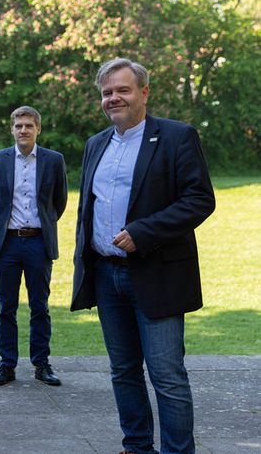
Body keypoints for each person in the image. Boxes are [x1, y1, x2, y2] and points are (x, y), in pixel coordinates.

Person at [72, 58, 215, 454]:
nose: (113, 98)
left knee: (167, 375)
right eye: (106, 92)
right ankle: (136, 447)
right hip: (105, 274)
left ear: (144, 93)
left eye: (123, 89)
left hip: (157, 274)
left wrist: (142, 232)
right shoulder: (95, 144)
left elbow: (199, 199)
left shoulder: (177, 137)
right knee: (123, 371)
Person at [0, 106, 67, 387]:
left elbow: (59, 202)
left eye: (29, 126)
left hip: (38, 243)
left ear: (38, 129)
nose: (23, 130)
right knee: (6, 307)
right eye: (19, 126)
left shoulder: (54, 160)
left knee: (39, 307)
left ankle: (41, 364)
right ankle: (7, 365)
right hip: (7, 243)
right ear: (12, 129)